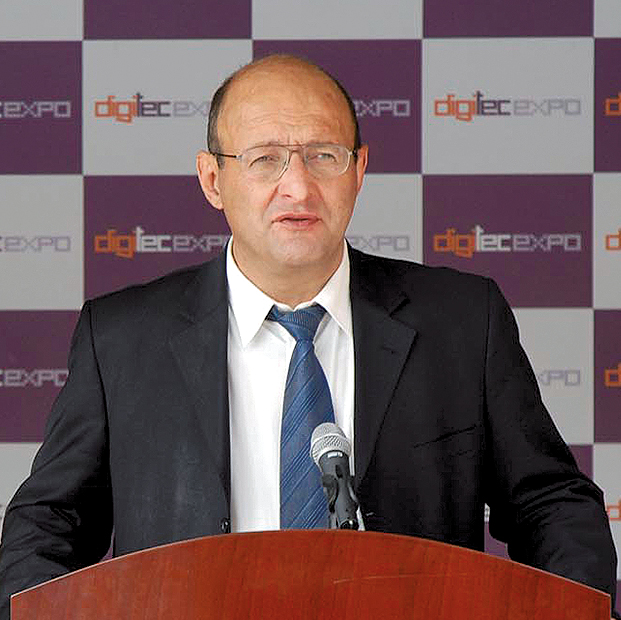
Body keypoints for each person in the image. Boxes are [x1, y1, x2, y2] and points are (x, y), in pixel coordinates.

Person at [0, 55, 617, 618]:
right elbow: (49, 524)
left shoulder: (461, 320)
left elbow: (551, 505)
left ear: (359, 170)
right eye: (265, 158)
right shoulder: (123, 337)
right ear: (212, 179)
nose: (297, 187)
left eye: (324, 155)